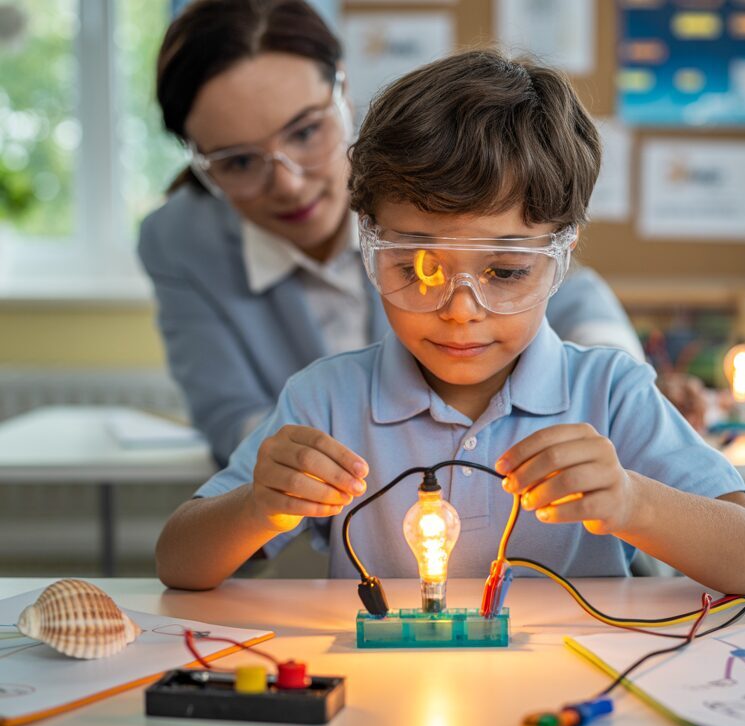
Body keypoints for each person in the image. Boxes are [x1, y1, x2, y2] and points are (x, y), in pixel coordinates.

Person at [156, 49, 745, 597]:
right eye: (420, 269)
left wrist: (632, 500)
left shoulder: (610, 394)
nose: (461, 310)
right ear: (371, 249)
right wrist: (260, 507)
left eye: (506, 272)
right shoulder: (326, 400)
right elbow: (180, 563)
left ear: (559, 261)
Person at [138, 0, 643, 467]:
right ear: (200, 161)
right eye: (240, 161)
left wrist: (628, 404)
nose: (288, 183)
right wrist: (330, 457)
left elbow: (552, 278)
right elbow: (228, 412)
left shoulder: (409, 181)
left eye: (306, 131)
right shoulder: (179, 240)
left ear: (343, 91)